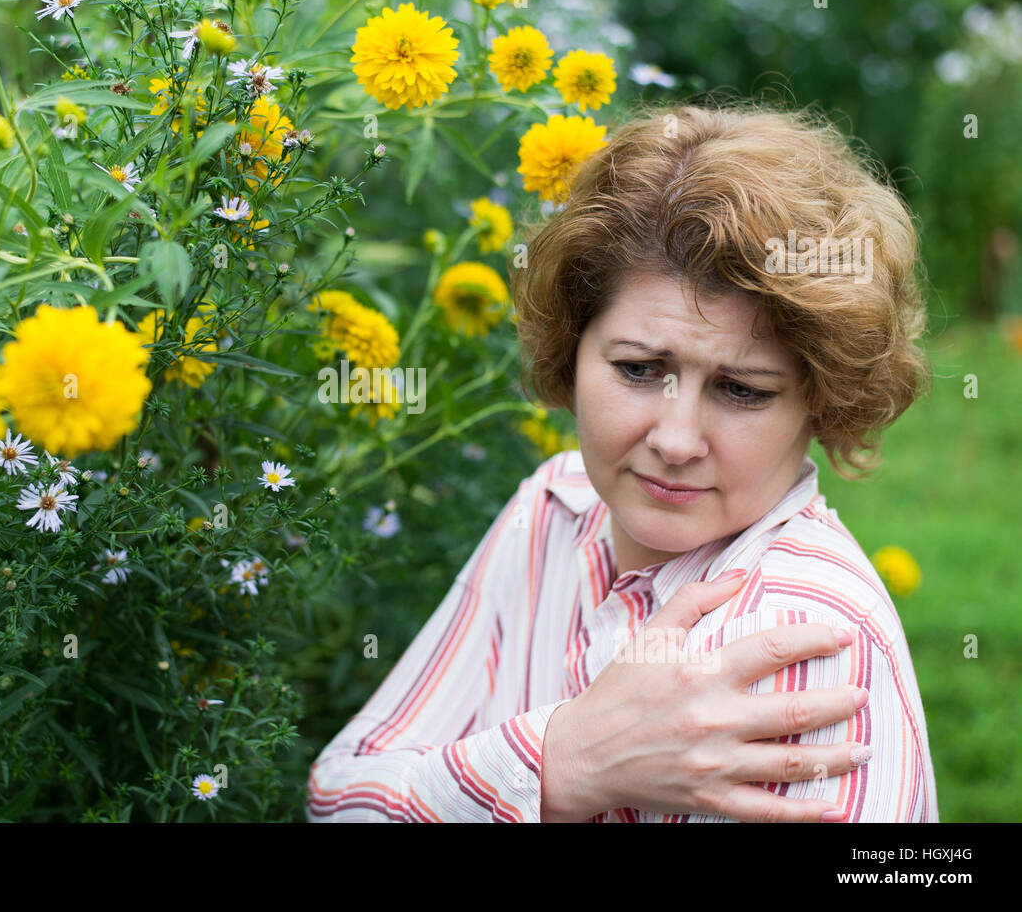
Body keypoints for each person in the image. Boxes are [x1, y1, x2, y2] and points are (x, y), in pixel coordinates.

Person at [305, 100, 937, 822]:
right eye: (639, 369)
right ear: (571, 347)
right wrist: (557, 765)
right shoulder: (555, 508)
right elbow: (339, 795)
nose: (675, 438)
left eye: (740, 389)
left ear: (820, 401)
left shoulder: (800, 637)